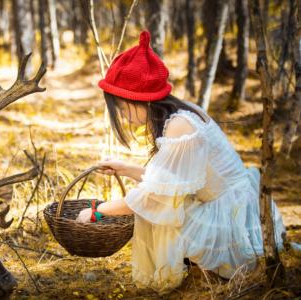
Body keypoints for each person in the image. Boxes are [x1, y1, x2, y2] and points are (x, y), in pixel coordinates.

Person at [76, 30, 286, 292]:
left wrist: (98, 211)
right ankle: (197, 269)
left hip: (229, 220)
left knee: (159, 215)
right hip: (230, 203)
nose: (124, 117)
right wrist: (128, 169)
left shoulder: (180, 127)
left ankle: (187, 275)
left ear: (136, 100)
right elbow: (173, 184)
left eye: (121, 108)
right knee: (163, 208)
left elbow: (154, 198)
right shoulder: (182, 111)